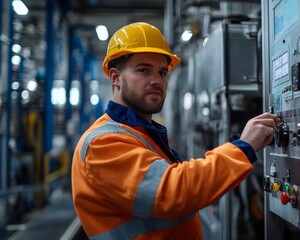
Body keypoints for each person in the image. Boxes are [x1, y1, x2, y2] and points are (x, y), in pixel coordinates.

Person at [71, 22, 279, 240]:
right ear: (115, 77)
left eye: (162, 72)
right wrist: (243, 148)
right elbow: (173, 191)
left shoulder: (141, 134)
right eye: (143, 70)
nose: (156, 81)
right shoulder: (102, 143)